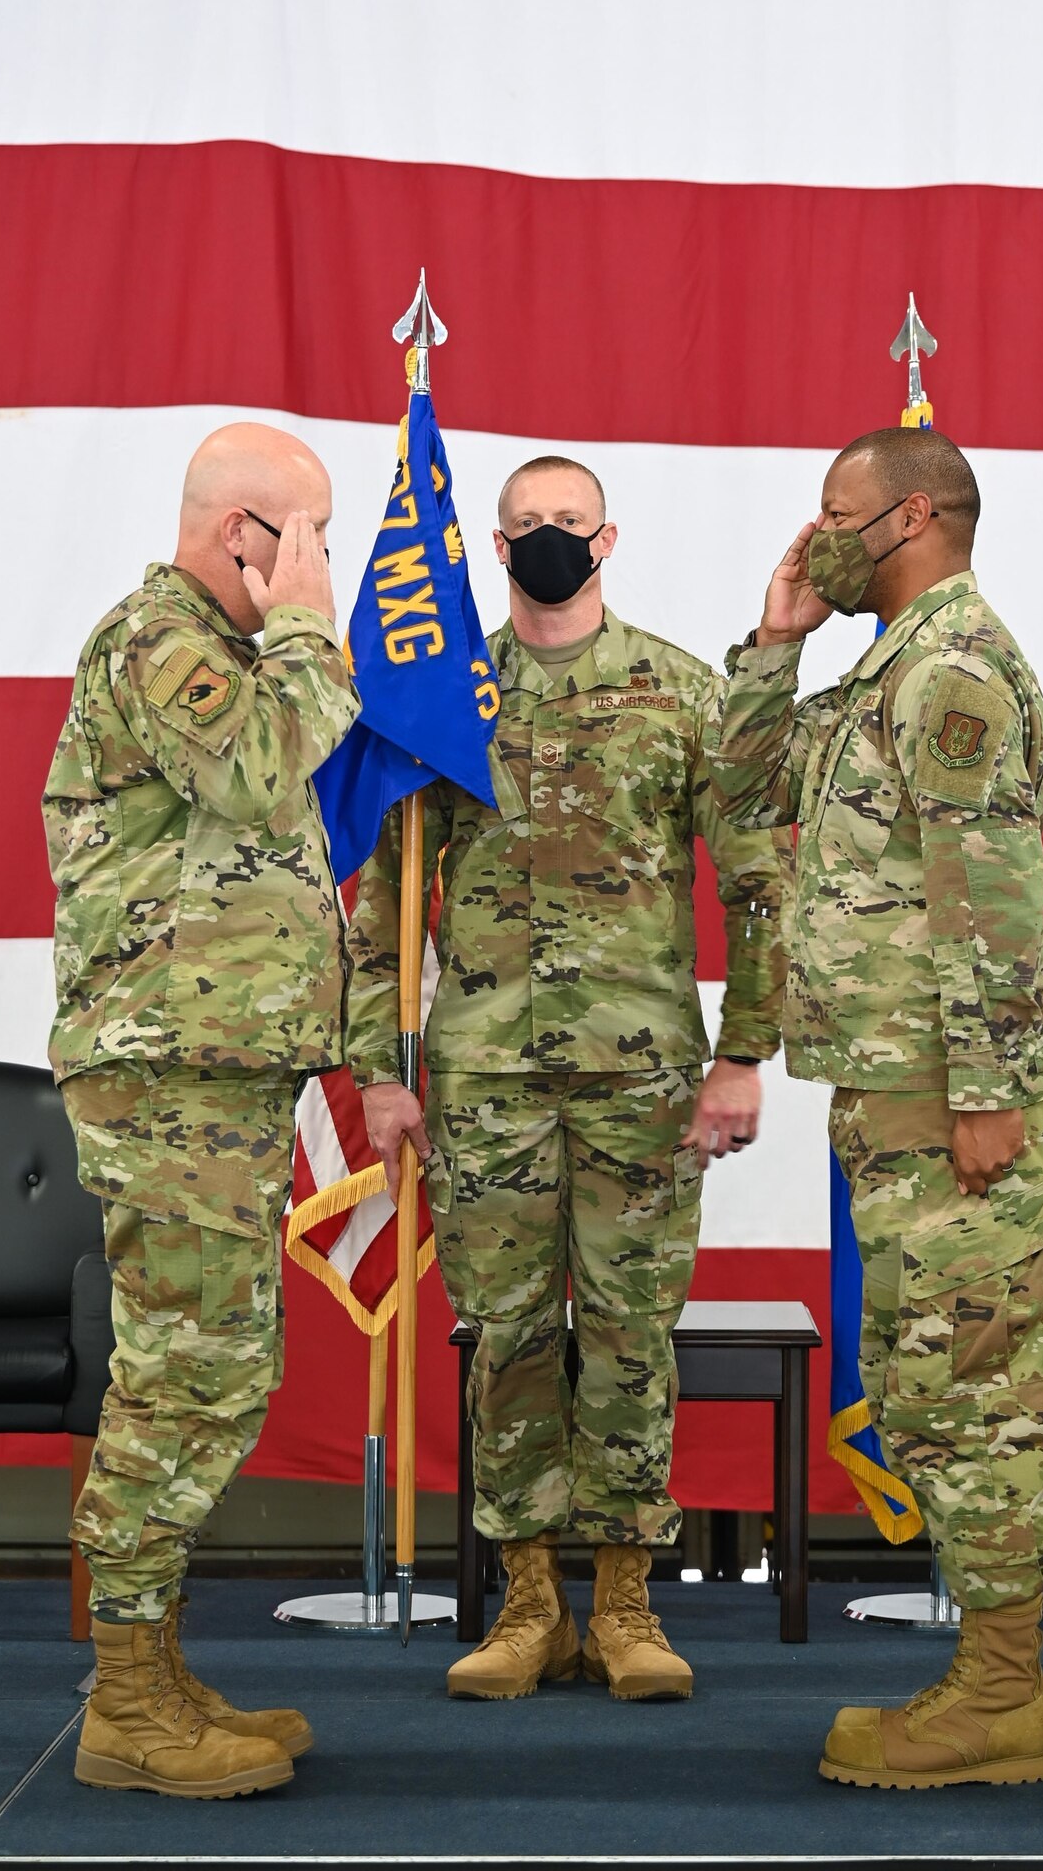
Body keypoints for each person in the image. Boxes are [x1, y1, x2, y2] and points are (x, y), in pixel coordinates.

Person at [346, 454, 791, 1703]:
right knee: (509, 1337)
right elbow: (382, 893)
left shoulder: (680, 692)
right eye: (527, 525)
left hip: (642, 1074)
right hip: (483, 1070)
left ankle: (629, 1601)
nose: (549, 539)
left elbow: (754, 880)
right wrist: (381, 1072)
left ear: (609, 541)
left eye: (569, 524)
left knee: (632, 1335)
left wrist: (744, 1050)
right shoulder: (441, 698)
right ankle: (529, 1599)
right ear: (493, 548)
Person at [709, 427, 1043, 1788]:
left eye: (833, 514)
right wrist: (776, 634)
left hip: (956, 1097)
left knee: (975, 1398)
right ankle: (990, 1686)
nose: (816, 533)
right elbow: (735, 792)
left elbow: (977, 887)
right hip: (896, 1089)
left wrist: (983, 1095)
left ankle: (1000, 1700)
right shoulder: (879, 671)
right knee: (932, 1390)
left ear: (907, 516)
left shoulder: (950, 670)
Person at [43, 423, 356, 1798]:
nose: (326, 569)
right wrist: (305, 635)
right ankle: (124, 1703)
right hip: (168, 1079)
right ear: (248, 536)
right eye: (313, 539)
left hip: (216, 1075)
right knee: (185, 1377)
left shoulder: (214, 657)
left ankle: (153, 1670)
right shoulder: (160, 645)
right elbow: (255, 767)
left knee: (213, 1368)